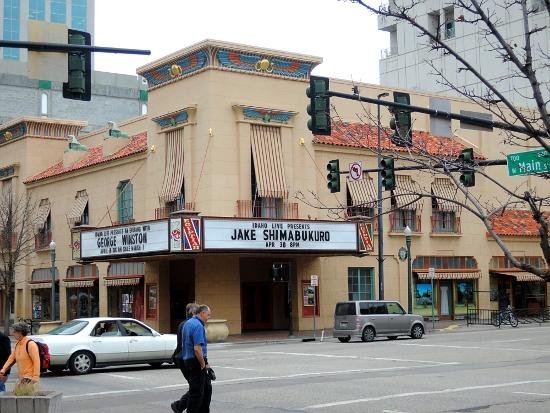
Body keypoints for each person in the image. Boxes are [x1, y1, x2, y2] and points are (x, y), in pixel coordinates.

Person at [182, 304, 212, 413]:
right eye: (208, 315)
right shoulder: (198, 326)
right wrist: (203, 364)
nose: (209, 317)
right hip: (195, 361)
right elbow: (197, 348)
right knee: (197, 393)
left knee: (204, 389)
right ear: (202, 313)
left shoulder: (188, 323)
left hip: (188, 360)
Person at [171, 302, 198, 413]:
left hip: (182, 358)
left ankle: (180, 405)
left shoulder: (184, 323)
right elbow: (194, 346)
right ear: (193, 313)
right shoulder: (190, 324)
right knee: (197, 387)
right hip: (186, 359)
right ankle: (179, 405)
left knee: (198, 387)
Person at [0, 322, 40, 389]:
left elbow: (37, 361)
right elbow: (11, 358)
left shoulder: (30, 344)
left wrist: (35, 377)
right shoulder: (18, 344)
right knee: (18, 395)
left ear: (20, 332)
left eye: (14, 332)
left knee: (20, 395)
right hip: (22, 377)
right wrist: (3, 369)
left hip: (30, 378)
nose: (12, 334)